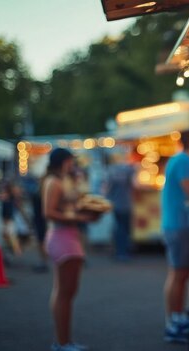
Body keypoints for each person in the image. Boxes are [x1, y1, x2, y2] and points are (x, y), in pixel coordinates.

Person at [42, 148, 98, 351]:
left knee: (65, 292)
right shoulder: (54, 182)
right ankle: (62, 342)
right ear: (64, 162)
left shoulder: (60, 181)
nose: (73, 165)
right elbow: (48, 212)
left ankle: (63, 340)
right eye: (70, 162)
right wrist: (79, 217)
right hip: (63, 238)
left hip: (65, 237)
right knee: (65, 292)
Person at [161, 126, 189, 343]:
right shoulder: (185, 161)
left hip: (175, 223)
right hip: (178, 224)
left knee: (178, 273)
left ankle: (175, 318)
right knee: (178, 274)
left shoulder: (179, 160)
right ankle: (174, 321)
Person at [106, 153, 135, 261]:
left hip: (116, 204)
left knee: (118, 228)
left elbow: (108, 189)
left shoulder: (111, 171)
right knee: (125, 229)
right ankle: (124, 251)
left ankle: (119, 251)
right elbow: (134, 185)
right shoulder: (128, 170)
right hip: (126, 203)